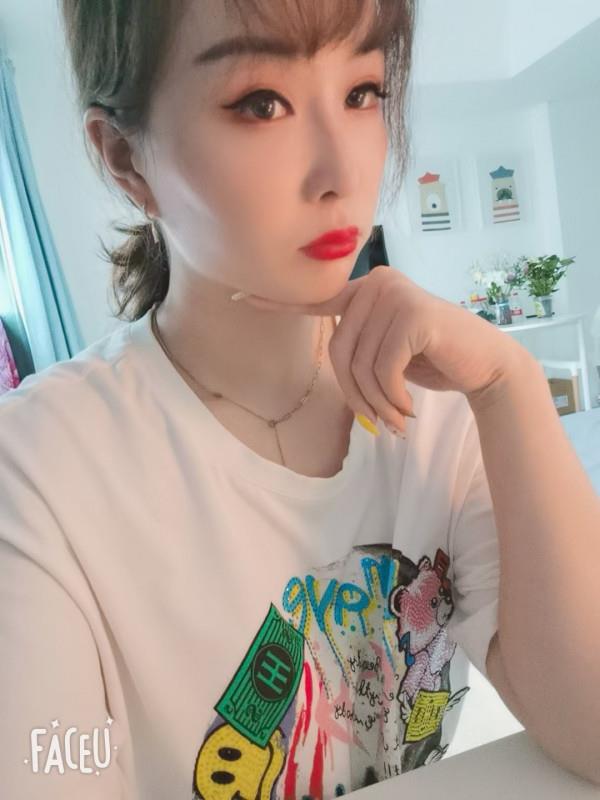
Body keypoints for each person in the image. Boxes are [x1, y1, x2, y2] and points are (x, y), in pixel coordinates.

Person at [7, 1, 599, 797]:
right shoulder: (38, 470)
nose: (343, 173)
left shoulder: (437, 409)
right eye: (262, 103)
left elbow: (589, 722)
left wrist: (508, 385)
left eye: (362, 92)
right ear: (125, 159)